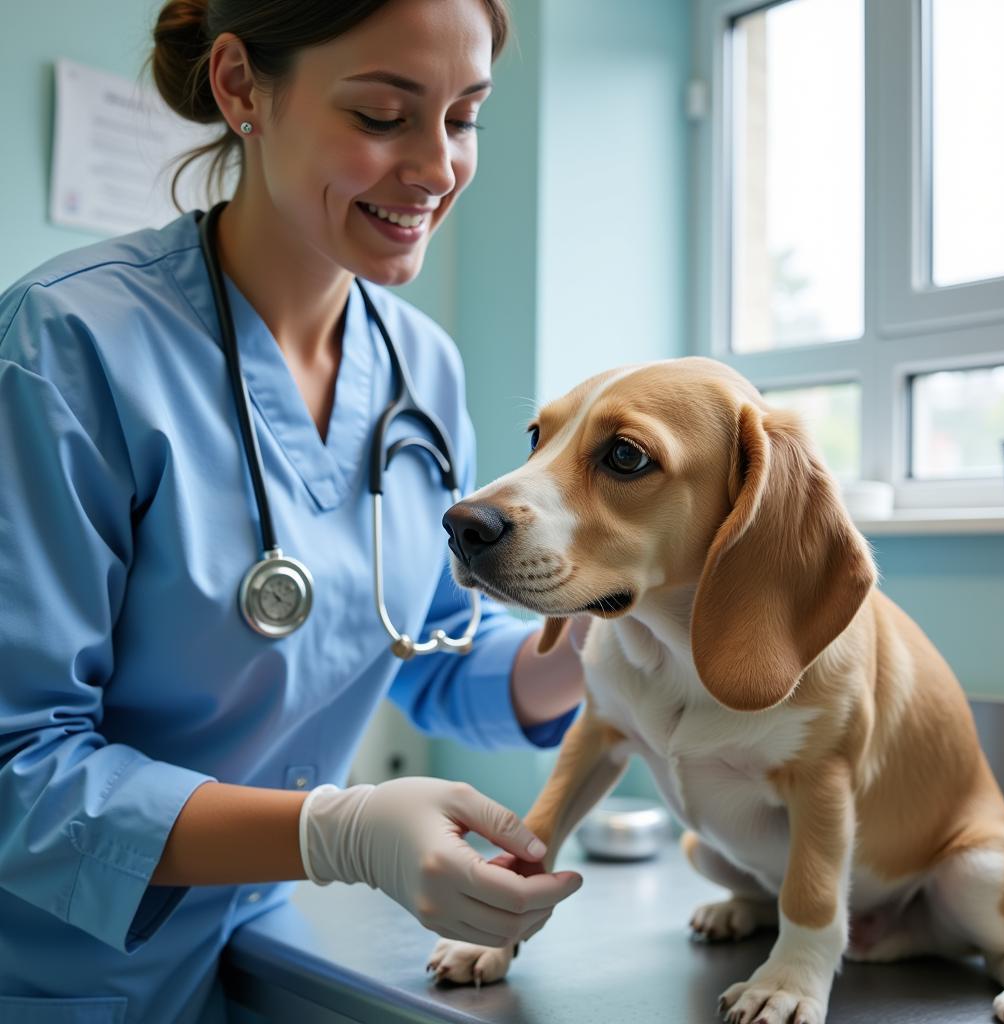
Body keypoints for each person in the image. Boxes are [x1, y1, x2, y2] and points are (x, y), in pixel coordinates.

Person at [0, 2, 588, 1021]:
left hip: (253, 946)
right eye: (380, 115)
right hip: (52, 972)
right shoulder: (66, 346)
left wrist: (611, 636)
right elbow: (17, 766)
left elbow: (428, 645)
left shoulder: (421, 367)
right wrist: (336, 830)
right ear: (239, 88)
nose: (437, 167)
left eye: (463, 118)